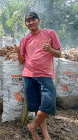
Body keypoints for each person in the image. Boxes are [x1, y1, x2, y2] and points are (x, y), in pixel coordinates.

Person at [14, 12, 61, 140]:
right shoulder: (24, 40)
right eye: (28, 21)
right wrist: (18, 52)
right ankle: (44, 135)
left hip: (45, 75)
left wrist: (50, 50)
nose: (31, 22)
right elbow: (21, 61)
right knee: (36, 106)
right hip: (28, 75)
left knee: (49, 103)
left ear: (39, 20)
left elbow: (59, 54)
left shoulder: (50, 33)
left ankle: (32, 125)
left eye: (33, 19)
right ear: (26, 24)